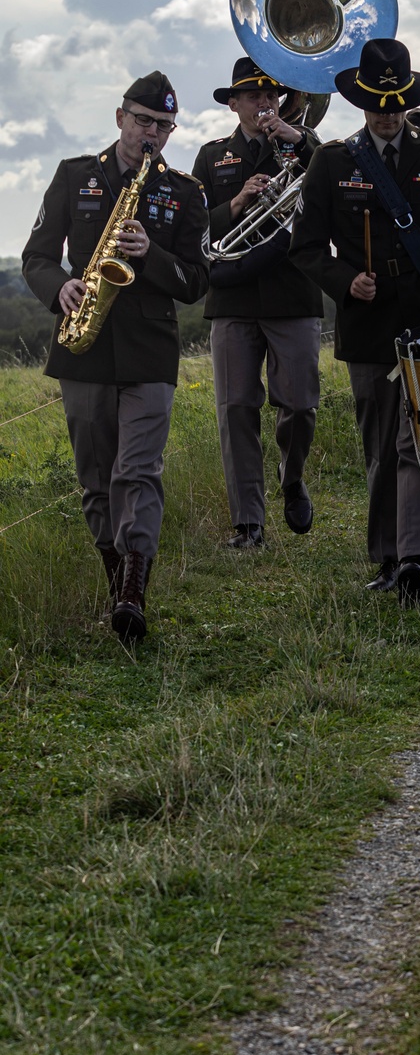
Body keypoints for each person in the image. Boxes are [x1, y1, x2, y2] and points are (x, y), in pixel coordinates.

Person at [288, 39, 420, 607]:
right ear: (363, 104)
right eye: (377, 104)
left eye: (395, 103)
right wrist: (343, 281)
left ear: (407, 101)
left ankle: (413, 557)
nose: (386, 113)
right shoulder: (331, 161)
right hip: (368, 321)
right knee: (381, 442)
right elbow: (305, 248)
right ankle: (387, 554)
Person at [22, 72, 210, 640]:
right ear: (120, 117)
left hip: (150, 350)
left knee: (138, 470)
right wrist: (60, 287)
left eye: (163, 126)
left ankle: (134, 590)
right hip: (82, 347)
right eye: (142, 120)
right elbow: (35, 256)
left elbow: (195, 281)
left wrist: (150, 254)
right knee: (97, 479)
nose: (151, 133)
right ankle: (115, 576)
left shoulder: (185, 191)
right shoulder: (74, 174)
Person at [192, 59, 324, 549]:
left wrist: (295, 136)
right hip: (233, 297)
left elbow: (333, 170)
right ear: (234, 103)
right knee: (236, 409)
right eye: (252, 95)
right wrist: (238, 204)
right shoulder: (212, 157)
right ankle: (248, 522)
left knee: (301, 404)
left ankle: (292, 477)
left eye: (270, 94)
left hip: (292, 292)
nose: (263, 102)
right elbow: (194, 229)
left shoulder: (302, 147)